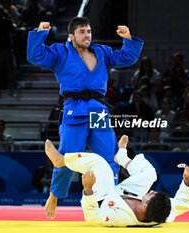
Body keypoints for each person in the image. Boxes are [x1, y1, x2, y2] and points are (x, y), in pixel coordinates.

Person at [27, 17, 143, 217]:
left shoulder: (102, 52)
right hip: (74, 108)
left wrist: (128, 39)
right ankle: (54, 196)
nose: (87, 35)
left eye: (88, 31)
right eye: (82, 32)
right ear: (72, 36)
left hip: (98, 110)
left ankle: (110, 199)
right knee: (68, 156)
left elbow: (126, 58)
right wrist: (40, 34)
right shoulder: (60, 52)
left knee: (110, 157)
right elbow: (35, 55)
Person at [44, 135, 189, 226]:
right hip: (128, 193)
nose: (151, 191)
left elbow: (91, 217)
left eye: (151, 195)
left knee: (100, 163)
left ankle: (61, 160)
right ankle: (121, 156)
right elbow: (185, 204)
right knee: (150, 173)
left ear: (145, 208)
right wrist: (186, 181)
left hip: (104, 197)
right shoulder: (163, 211)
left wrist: (88, 189)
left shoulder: (120, 219)